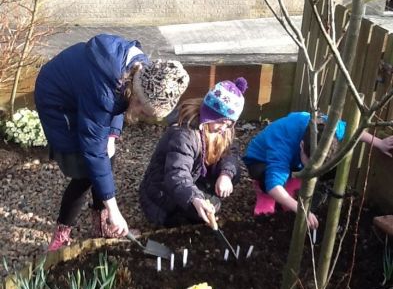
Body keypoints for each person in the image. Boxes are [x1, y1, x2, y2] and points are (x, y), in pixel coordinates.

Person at [35, 33, 190, 251]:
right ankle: (61, 234)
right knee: (84, 173)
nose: (142, 116)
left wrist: (112, 134)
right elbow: (94, 147)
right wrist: (116, 211)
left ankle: (102, 223)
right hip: (59, 101)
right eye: (144, 111)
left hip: (89, 94)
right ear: (136, 95)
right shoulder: (106, 91)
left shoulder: (141, 70)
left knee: (108, 157)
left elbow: (120, 99)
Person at [243, 111, 393, 229]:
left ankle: (289, 188)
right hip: (260, 159)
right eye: (309, 164)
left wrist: (379, 143)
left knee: (299, 181)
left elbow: (352, 130)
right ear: (302, 146)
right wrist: (301, 210)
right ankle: (264, 194)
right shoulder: (282, 145)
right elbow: (274, 185)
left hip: (294, 162)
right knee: (265, 177)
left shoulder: (328, 130)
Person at [139, 77, 248, 227]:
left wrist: (225, 175)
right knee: (199, 212)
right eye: (221, 122)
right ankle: (182, 211)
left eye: (229, 124)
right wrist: (195, 199)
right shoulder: (185, 134)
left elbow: (231, 152)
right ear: (210, 114)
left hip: (194, 176)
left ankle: (203, 199)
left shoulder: (223, 129)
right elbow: (176, 174)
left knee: (233, 173)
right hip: (163, 192)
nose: (224, 128)